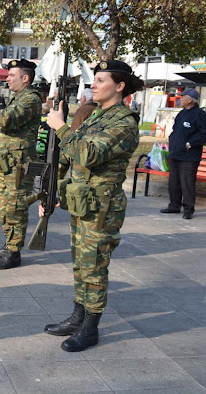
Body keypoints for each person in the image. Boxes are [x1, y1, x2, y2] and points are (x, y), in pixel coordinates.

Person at [41, 60, 143, 352]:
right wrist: (54, 193)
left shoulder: (124, 122)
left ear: (119, 86)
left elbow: (86, 154)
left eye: (100, 80)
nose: (93, 85)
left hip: (102, 208)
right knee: (80, 263)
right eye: (94, 80)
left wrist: (60, 126)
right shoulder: (96, 117)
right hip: (82, 202)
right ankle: (77, 316)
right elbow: (72, 161)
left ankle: (90, 328)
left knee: (94, 267)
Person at [0, 59, 42, 268]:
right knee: (6, 207)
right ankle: (9, 244)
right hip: (8, 163)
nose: (7, 78)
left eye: (11, 75)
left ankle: (14, 252)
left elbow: (8, 120)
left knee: (16, 207)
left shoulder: (30, 99)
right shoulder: (17, 97)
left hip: (19, 166)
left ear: (25, 78)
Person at [160, 88, 206, 219]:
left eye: (182, 97)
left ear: (190, 99)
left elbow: (204, 134)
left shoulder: (199, 114)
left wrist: (190, 144)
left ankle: (188, 209)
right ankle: (174, 205)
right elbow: (176, 130)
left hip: (189, 156)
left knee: (187, 183)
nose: (180, 98)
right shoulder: (181, 114)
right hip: (175, 153)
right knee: (173, 183)